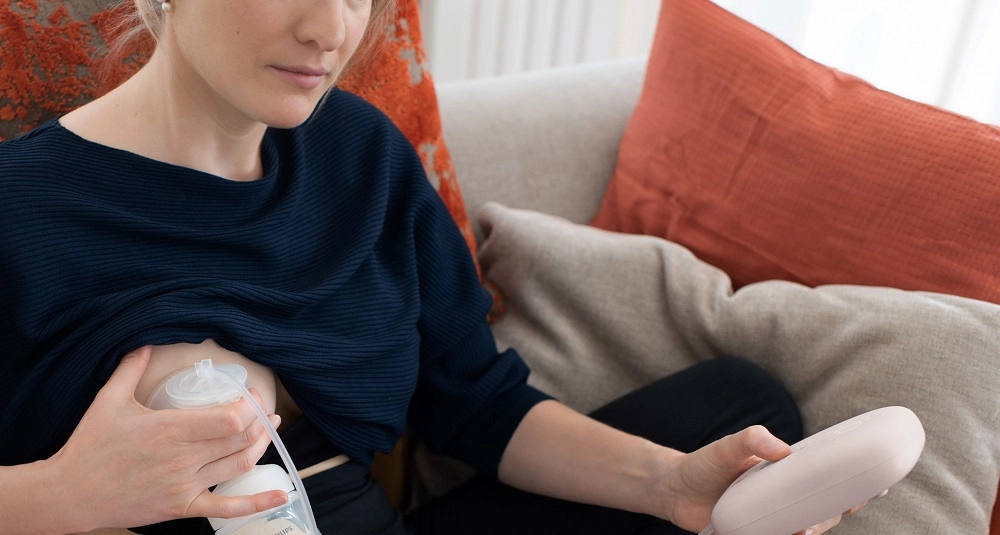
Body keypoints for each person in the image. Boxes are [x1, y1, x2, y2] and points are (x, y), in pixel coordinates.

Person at [0, 1, 849, 533]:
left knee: (743, 406)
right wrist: (62, 493)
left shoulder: (360, 153)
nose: (332, 29)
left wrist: (670, 486)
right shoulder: (22, 206)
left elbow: (479, 405)